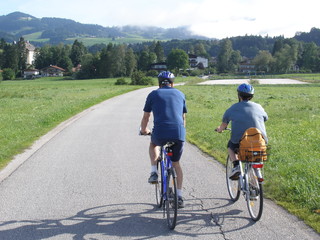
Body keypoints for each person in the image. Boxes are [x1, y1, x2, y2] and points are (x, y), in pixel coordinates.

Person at [140, 71, 187, 208]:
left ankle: (154, 171)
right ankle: (179, 196)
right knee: (176, 163)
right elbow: (183, 117)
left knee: (154, 144)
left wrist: (144, 130)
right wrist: (181, 132)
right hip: (178, 133)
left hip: (160, 132)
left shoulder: (153, 94)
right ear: (172, 83)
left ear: (159, 83)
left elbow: (146, 117)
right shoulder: (180, 94)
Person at [216, 83, 268, 180]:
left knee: (230, 146)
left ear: (239, 95)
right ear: (252, 96)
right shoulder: (259, 107)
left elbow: (223, 126)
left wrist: (219, 129)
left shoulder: (232, 108)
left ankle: (236, 166)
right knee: (255, 155)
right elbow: (265, 118)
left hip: (241, 142)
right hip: (260, 140)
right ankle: (257, 176)